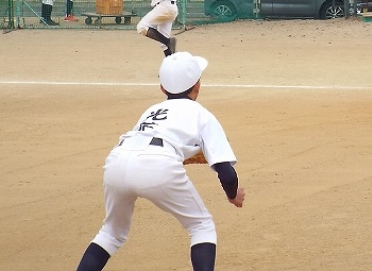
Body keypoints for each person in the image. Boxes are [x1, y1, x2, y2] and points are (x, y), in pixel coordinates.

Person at [74, 51, 246, 271]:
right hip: (157, 166)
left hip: (117, 161)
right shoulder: (201, 114)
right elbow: (227, 173)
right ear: (198, 84)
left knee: (110, 234)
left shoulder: (151, 110)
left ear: (163, 88)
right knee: (201, 226)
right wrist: (232, 195)